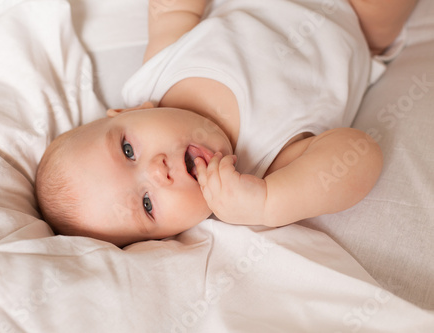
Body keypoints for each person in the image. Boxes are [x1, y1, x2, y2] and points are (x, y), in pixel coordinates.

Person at [35, 0, 418, 247]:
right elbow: (360, 155)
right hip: (355, 18)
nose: (157, 170)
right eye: (148, 204)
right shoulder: (263, 169)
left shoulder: (157, 75)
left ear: (129, 112)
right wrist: (268, 203)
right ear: (170, 236)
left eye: (128, 150)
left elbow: (172, 11)